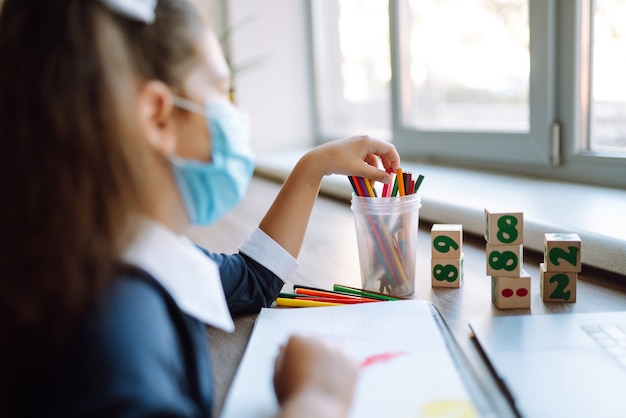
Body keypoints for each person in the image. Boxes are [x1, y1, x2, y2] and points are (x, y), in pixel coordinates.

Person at [0, 0, 401, 416]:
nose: (233, 113)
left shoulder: (93, 248)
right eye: (221, 92)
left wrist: (312, 167)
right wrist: (318, 400)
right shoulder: (114, 340)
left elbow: (252, 279)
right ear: (158, 116)